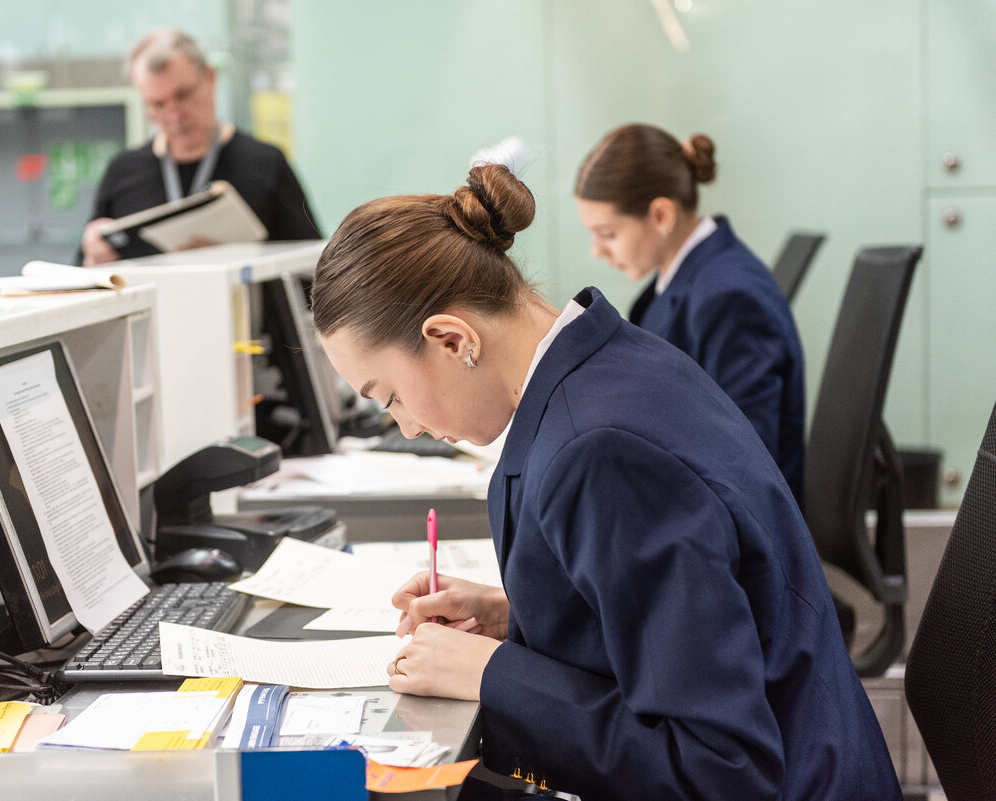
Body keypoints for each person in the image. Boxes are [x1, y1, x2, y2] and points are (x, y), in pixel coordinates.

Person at [311, 164, 899, 800]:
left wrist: (493, 673)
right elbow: (692, 626)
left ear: (452, 339)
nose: (408, 428)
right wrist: (519, 618)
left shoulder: (599, 452)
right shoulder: (610, 360)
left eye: (391, 396)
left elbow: (717, 769)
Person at [574, 124, 805, 506]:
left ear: (661, 215)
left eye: (608, 233)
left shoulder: (729, 297)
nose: (597, 251)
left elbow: (744, 467)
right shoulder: (680, 279)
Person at [79, 27, 320, 265]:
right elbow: (82, 273)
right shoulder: (123, 171)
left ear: (210, 77)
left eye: (183, 95)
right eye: (157, 105)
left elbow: (315, 269)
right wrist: (92, 256)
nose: (174, 116)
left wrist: (249, 260)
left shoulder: (267, 163)